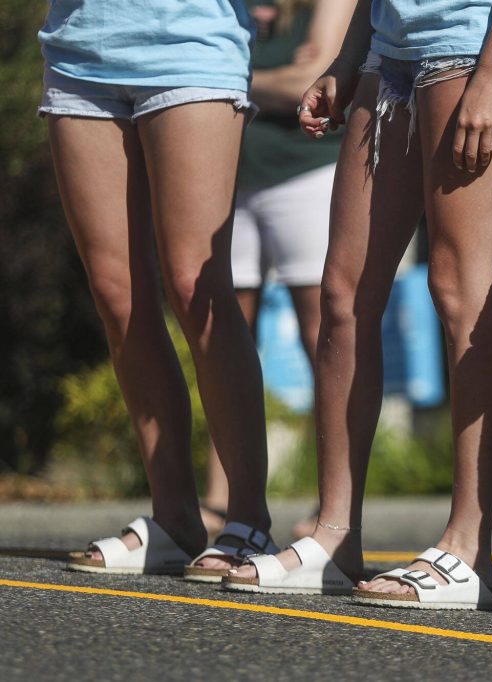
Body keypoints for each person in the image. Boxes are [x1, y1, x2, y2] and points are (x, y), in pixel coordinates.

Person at [222, 0, 492, 606]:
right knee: (343, 294)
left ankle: (468, 548)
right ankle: (334, 534)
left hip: (474, 40)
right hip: (390, 47)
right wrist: (349, 58)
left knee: (459, 291)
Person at [39, 0, 279, 580]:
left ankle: (248, 517)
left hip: (189, 45)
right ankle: (174, 520)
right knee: (115, 293)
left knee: (196, 282)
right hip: (78, 48)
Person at [200, 0, 350, 540]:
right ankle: (222, 500)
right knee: (224, 333)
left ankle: (331, 507)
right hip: (229, 174)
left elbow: (309, 84)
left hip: (305, 171)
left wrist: (218, 77)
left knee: (324, 335)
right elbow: (283, 83)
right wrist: (269, 81)